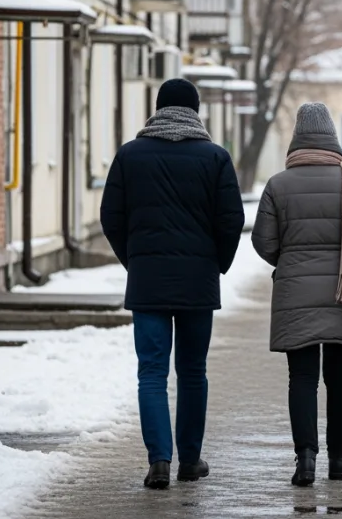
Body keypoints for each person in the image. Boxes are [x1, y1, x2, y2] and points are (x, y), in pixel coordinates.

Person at [100, 78, 245, 490]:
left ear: (158, 107)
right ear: (196, 111)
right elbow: (231, 218)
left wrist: (136, 261)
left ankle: (159, 462)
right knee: (193, 372)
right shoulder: (215, 157)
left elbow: (111, 215)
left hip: (148, 283)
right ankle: (190, 460)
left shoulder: (130, 155)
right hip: (198, 283)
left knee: (151, 372)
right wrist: (217, 263)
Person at [251, 103, 342, 487]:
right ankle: (338, 460)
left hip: (296, 292)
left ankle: (306, 459)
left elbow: (263, 243)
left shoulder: (278, 184)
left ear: (297, 137)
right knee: (341, 378)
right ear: (333, 137)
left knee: (302, 378)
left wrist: (292, 259)